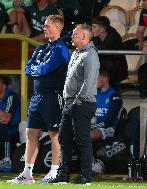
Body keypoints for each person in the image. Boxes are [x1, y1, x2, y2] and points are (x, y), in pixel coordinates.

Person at [8, 14, 70, 183]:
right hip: (37, 97)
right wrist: (39, 69)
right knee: (31, 133)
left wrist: (38, 69)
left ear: (58, 28)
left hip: (53, 96)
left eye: (48, 25)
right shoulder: (41, 48)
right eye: (44, 25)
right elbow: (28, 68)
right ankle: (27, 173)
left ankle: (55, 171)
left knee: (54, 134)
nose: (44, 28)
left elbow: (46, 69)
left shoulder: (61, 49)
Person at [52, 24, 100, 185]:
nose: (72, 36)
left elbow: (88, 81)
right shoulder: (76, 53)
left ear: (85, 37)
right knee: (64, 139)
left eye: (75, 34)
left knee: (82, 140)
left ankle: (86, 176)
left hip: (82, 103)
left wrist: (77, 101)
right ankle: (63, 175)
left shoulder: (90, 55)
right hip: (70, 102)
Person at [91, 16, 128, 85]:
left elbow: (103, 53)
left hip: (116, 70)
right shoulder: (95, 37)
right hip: (104, 67)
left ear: (102, 29)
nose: (91, 29)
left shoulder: (114, 38)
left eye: (94, 27)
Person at [90, 71, 124, 141]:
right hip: (94, 127)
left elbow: (109, 122)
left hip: (109, 128)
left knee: (86, 136)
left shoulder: (114, 96)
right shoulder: (95, 95)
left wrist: (92, 126)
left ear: (105, 79)